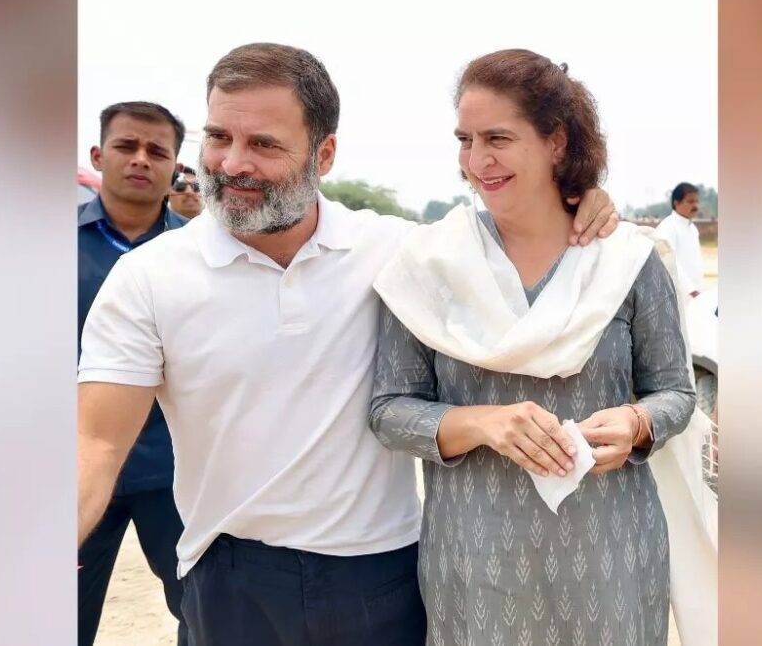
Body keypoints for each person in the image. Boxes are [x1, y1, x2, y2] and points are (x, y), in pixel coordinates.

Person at [76, 42, 619, 646]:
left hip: (382, 575)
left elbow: (528, 232)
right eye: (219, 137)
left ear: (325, 154)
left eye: (264, 144)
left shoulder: (397, 252)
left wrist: (585, 199)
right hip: (228, 578)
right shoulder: (148, 278)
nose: (232, 163)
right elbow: (96, 441)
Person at [370, 49, 712, 646]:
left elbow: (676, 394)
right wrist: (482, 423)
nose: (477, 160)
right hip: (475, 563)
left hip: (613, 556)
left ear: (557, 141)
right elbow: (389, 410)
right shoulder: (430, 265)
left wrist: (636, 423)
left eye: (498, 138)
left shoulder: (625, 262)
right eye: (465, 140)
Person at [78, 101, 189, 646]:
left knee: (204, 612)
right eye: (126, 146)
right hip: (74, 467)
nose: (141, 159)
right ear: (99, 155)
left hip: (173, 471)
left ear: (176, 167)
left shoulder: (200, 256)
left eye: (156, 151)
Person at [655, 182, 706, 298]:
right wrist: (691, 290)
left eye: (697, 201)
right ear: (676, 203)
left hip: (695, 295)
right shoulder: (668, 227)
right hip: (678, 296)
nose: (695, 205)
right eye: (690, 201)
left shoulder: (692, 228)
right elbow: (668, 262)